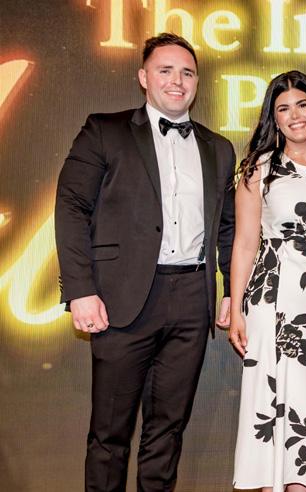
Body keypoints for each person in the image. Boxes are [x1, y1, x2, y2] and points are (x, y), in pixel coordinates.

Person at [55, 33, 235, 491]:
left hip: (192, 299)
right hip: (121, 299)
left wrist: (232, 290)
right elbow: (71, 207)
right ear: (143, 77)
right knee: (109, 435)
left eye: (187, 72)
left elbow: (228, 228)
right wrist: (80, 290)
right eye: (165, 70)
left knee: (167, 431)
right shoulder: (105, 130)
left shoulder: (219, 148)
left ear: (197, 82)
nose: (177, 81)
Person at [228, 70, 306, 492]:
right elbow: (245, 243)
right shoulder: (258, 170)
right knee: (274, 408)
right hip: (274, 300)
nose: (295, 115)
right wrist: (236, 310)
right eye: (283, 109)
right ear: (274, 119)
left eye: (302, 104)